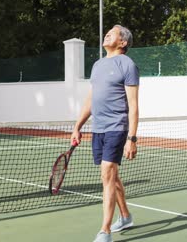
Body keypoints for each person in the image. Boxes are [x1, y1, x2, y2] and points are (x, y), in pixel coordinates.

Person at [71, 25, 139, 242]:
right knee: (112, 176)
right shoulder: (98, 65)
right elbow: (91, 99)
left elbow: (133, 104)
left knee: (107, 175)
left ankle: (105, 230)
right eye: (107, 31)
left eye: (113, 32)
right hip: (97, 129)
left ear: (123, 42)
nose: (107, 34)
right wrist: (77, 126)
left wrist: (132, 138)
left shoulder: (128, 65)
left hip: (116, 128)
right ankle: (126, 216)